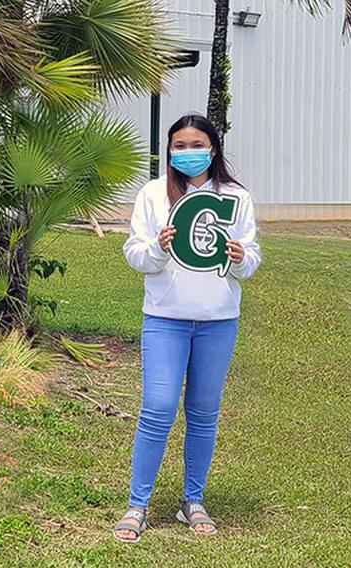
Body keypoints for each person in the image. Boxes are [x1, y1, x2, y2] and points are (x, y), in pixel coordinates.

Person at [113, 114, 261, 543]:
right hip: (165, 319)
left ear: (213, 148)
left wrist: (239, 257)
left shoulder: (236, 197)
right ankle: (136, 505)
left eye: (196, 144)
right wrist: (158, 249)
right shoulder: (153, 193)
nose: (187, 152)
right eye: (179, 145)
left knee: (203, 413)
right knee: (157, 407)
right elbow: (134, 254)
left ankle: (192, 500)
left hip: (217, 322)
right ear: (169, 150)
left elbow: (251, 261)